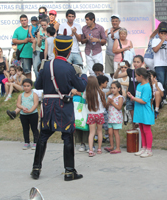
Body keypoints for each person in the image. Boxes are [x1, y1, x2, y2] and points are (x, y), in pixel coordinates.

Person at [30, 35, 88, 181]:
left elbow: (38, 86)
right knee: (67, 136)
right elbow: (81, 86)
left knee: (43, 136)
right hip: (64, 105)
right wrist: (84, 77)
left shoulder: (46, 66)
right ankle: (69, 172)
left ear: (55, 50)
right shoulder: (69, 68)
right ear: (69, 52)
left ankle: (36, 169)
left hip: (48, 105)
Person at [127, 68, 155, 158]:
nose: (135, 77)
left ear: (141, 76)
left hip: (146, 112)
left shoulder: (146, 87)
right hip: (139, 111)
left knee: (147, 130)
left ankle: (149, 150)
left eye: (136, 76)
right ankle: (144, 148)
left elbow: (144, 101)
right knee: (142, 130)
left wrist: (132, 97)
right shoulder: (139, 85)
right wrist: (133, 97)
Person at [114, 55, 144, 129]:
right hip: (130, 97)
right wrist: (118, 69)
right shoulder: (130, 71)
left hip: (139, 98)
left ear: (142, 63)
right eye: (134, 62)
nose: (136, 64)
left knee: (140, 119)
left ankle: (140, 136)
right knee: (134, 120)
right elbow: (116, 76)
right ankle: (135, 135)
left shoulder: (144, 73)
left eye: (138, 62)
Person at [84, 76, 106, 157]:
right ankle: (99, 149)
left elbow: (84, 99)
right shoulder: (100, 92)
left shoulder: (87, 92)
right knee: (99, 131)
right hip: (100, 114)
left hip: (91, 114)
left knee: (91, 133)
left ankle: (90, 150)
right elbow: (104, 103)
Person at [81, 12, 107, 76]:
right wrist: (86, 39)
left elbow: (105, 41)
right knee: (91, 72)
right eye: (86, 20)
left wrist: (97, 40)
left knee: (100, 70)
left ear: (93, 20)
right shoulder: (84, 28)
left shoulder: (100, 28)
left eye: (87, 20)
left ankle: (101, 85)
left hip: (97, 52)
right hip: (88, 52)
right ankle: (93, 85)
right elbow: (82, 41)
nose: (86, 22)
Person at [16, 79, 39, 150]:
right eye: (24, 86)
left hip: (33, 114)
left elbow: (36, 104)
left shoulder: (34, 95)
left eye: (28, 86)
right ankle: (27, 142)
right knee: (25, 128)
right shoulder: (21, 95)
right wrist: (23, 107)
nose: (26, 87)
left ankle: (36, 142)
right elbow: (18, 104)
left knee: (34, 128)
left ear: (31, 86)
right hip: (23, 115)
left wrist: (30, 111)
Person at [152, 26, 167, 104]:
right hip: (158, 64)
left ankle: (163, 98)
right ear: (158, 33)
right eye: (161, 33)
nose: (163, 35)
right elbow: (155, 50)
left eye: (165, 33)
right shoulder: (155, 40)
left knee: (165, 82)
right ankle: (159, 98)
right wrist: (162, 40)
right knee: (160, 81)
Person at [104, 81, 124, 154]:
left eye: (114, 88)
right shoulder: (109, 97)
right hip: (110, 118)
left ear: (119, 89)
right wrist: (108, 103)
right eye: (111, 88)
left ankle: (118, 148)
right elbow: (106, 107)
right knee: (110, 133)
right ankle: (111, 146)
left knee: (116, 133)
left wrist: (112, 102)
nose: (112, 89)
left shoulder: (120, 97)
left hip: (117, 118)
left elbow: (119, 107)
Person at [12, 14, 33, 79]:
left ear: (27, 20)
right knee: (26, 71)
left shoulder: (32, 28)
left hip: (35, 53)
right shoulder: (17, 30)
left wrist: (31, 40)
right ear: (20, 21)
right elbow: (14, 40)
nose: (24, 22)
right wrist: (23, 41)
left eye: (25, 20)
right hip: (24, 54)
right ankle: (28, 85)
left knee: (37, 70)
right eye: (22, 20)